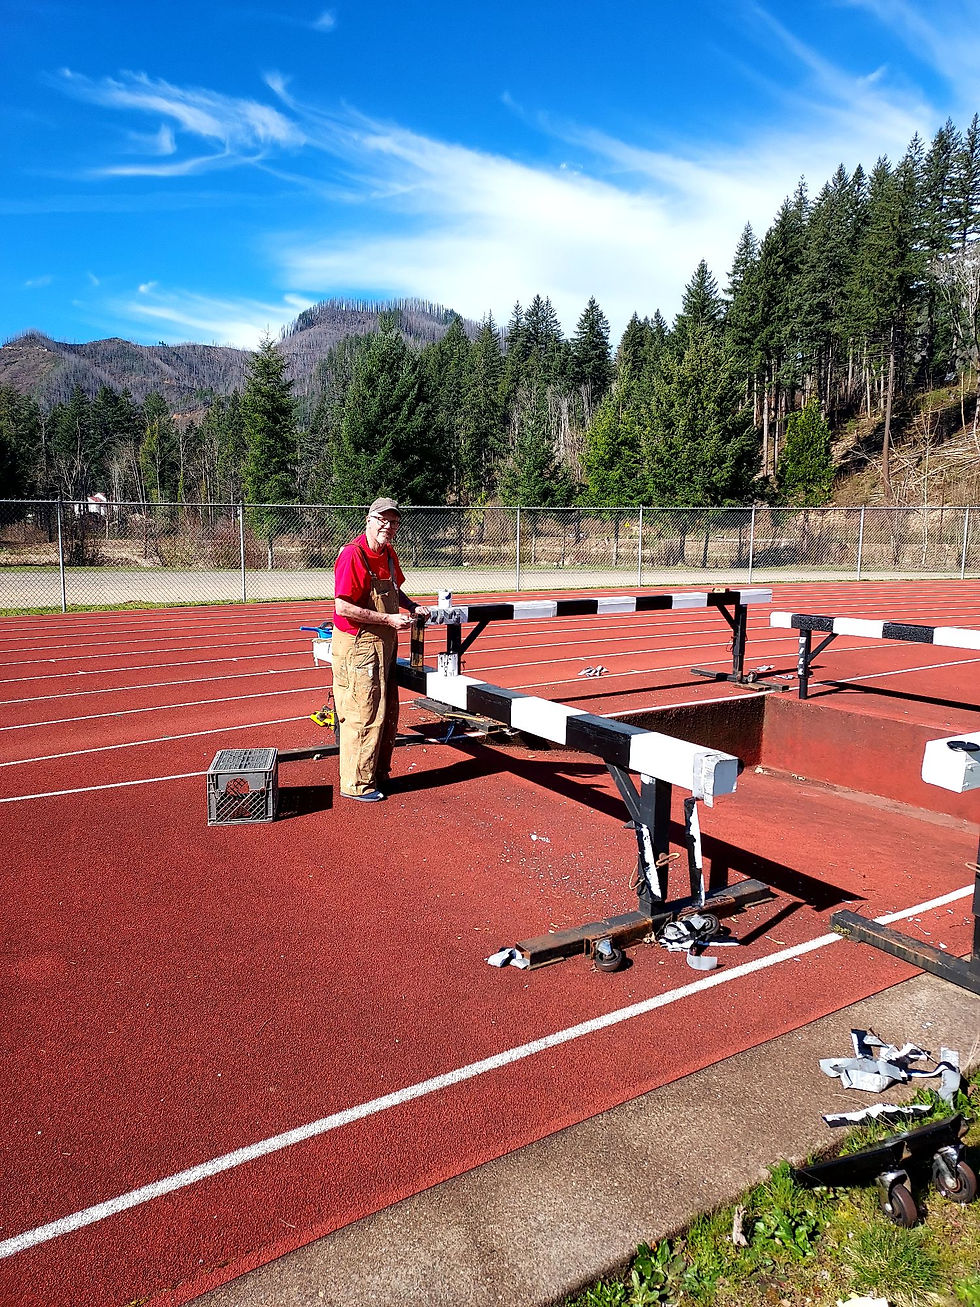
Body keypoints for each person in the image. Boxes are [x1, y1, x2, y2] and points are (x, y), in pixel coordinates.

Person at [331, 498, 430, 802]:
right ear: (369, 520)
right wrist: (388, 618)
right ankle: (356, 784)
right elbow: (343, 606)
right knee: (363, 712)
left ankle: (376, 773)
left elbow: (394, 588)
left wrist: (412, 606)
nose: (389, 527)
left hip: (384, 643)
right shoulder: (353, 555)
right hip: (358, 645)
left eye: (394, 522)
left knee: (386, 711)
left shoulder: (388, 555)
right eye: (383, 520)